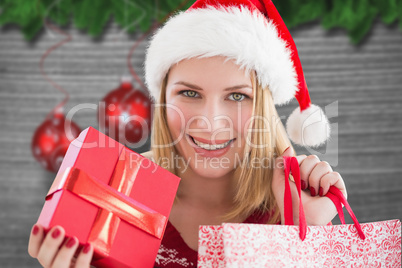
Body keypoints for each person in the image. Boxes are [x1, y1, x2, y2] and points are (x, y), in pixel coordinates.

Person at [28, 0, 347, 267]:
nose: (210, 122)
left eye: (237, 96)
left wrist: (307, 234)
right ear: (164, 98)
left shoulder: (295, 204)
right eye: (190, 93)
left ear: (262, 107)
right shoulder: (118, 193)